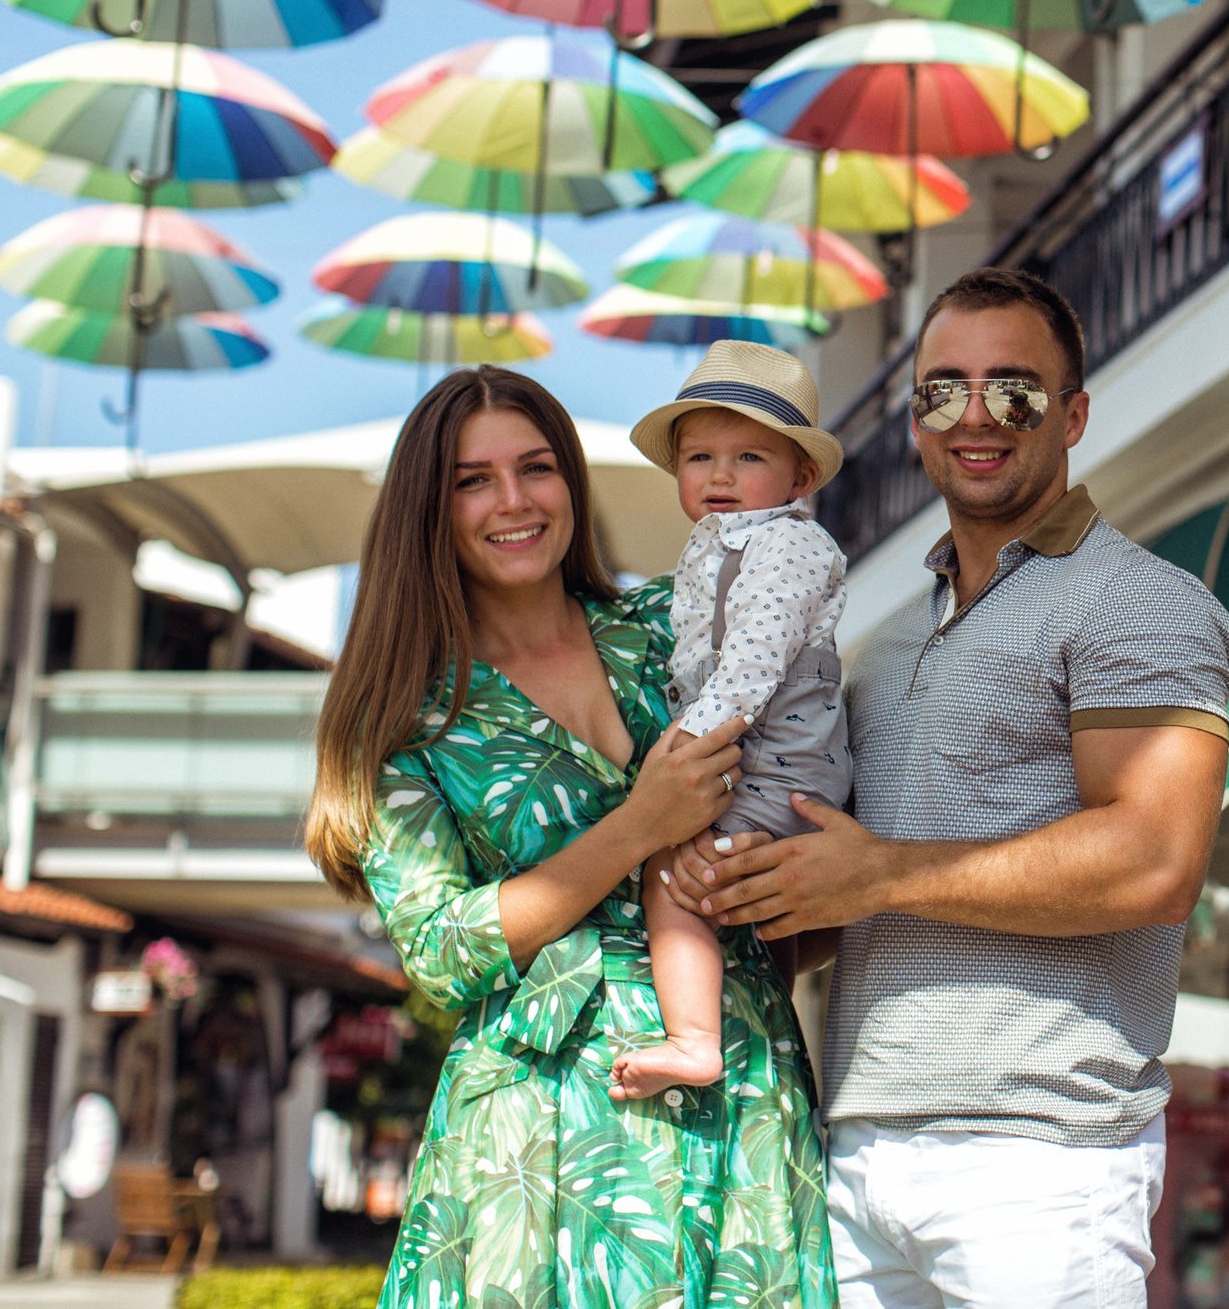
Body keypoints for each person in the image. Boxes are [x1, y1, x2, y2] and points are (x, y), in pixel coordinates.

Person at [668, 268, 1229, 1309]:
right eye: (942, 391)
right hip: (853, 1145)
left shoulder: (1141, 601)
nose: (975, 415)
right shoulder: (883, 642)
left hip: (1040, 1162)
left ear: (1072, 415)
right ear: (917, 420)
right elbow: (836, 893)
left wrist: (877, 872)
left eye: (1013, 391)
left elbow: (1156, 861)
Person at [303, 367, 834, 1309]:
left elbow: (801, 764)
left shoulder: (666, 626)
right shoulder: (405, 719)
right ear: (431, 508)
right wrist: (640, 827)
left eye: (537, 468)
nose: (513, 501)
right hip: (539, 1127)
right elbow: (443, 952)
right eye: (472, 480)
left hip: (739, 1095)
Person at [611, 341, 853, 1102]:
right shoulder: (714, 545)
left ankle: (693, 1041)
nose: (719, 476)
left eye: (748, 457)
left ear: (799, 477)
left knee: (676, 878)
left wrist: (686, 745)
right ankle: (757, 1016)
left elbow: (755, 660)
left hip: (778, 754)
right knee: (749, 900)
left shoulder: (789, 543)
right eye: (700, 458)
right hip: (759, 747)